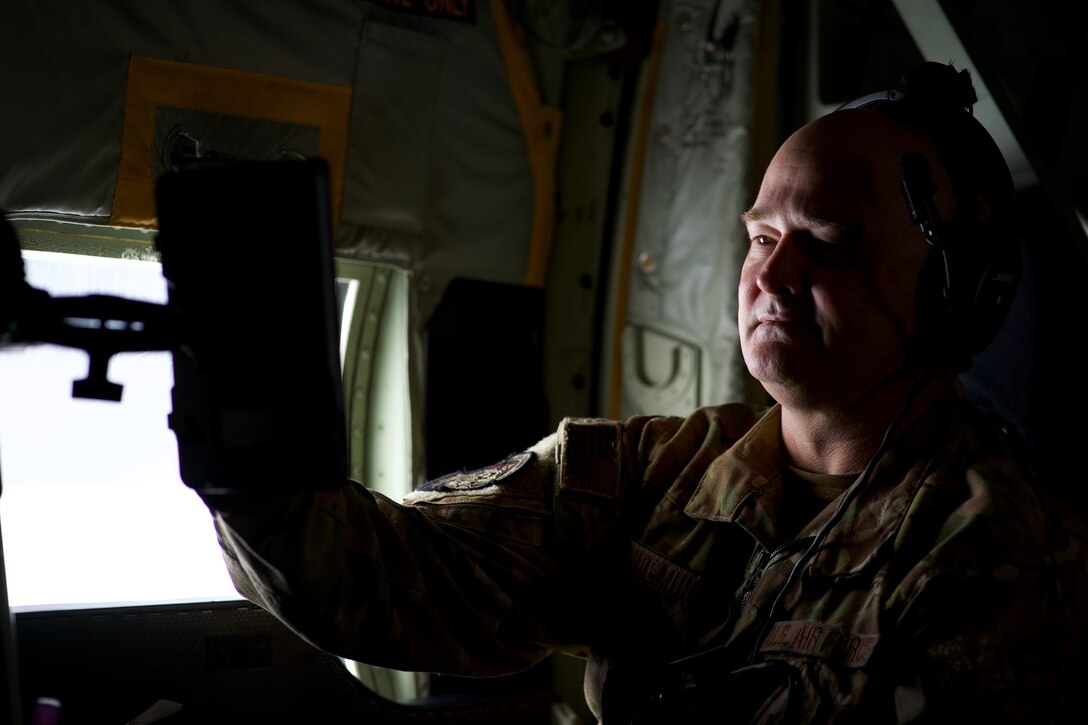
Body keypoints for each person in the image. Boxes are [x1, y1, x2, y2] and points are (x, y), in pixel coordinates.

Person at [198, 62, 1088, 723]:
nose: (772, 274)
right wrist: (248, 451)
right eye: (762, 236)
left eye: (827, 240)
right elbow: (400, 578)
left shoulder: (998, 554)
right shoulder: (658, 470)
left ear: (956, 297)